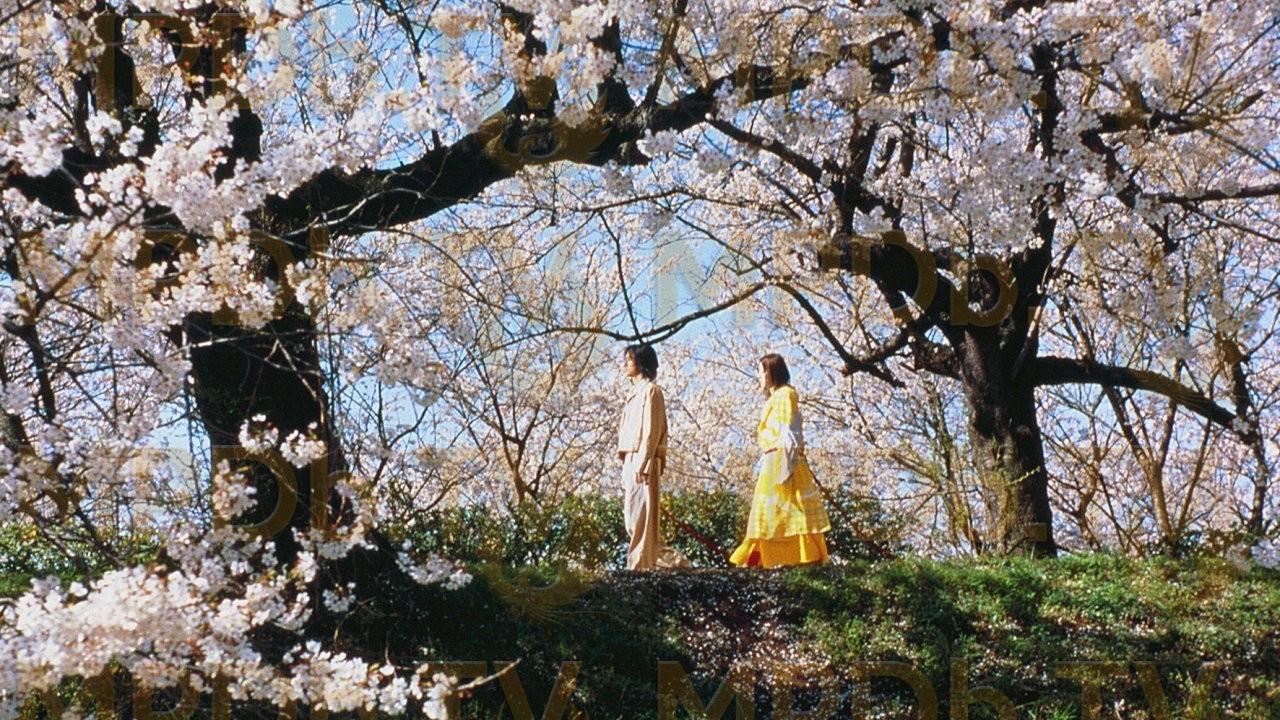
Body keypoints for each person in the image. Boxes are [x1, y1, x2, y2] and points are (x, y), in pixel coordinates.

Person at [729, 353, 831, 567]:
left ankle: (800, 558)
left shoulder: (785, 395)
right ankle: (766, 559)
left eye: (761, 371)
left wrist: (786, 466)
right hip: (772, 461)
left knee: (790, 512)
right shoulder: (775, 398)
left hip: (783, 461)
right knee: (770, 515)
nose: (759, 376)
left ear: (770, 372)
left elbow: (789, 431)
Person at [616, 343, 691, 571]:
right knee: (633, 520)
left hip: (643, 459)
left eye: (630, 359)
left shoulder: (652, 392)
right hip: (631, 458)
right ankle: (674, 563)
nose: (626, 364)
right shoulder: (633, 394)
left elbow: (651, 430)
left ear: (640, 363)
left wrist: (644, 461)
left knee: (641, 519)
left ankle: (638, 566)